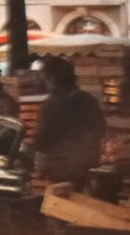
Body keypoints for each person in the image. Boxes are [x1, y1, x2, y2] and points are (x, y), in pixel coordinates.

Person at [33, 55, 106, 186]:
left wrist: (37, 161)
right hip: (88, 163)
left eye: (44, 78)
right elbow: (101, 129)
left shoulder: (51, 105)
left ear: (51, 79)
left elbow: (41, 139)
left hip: (61, 167)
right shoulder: (88, 99)